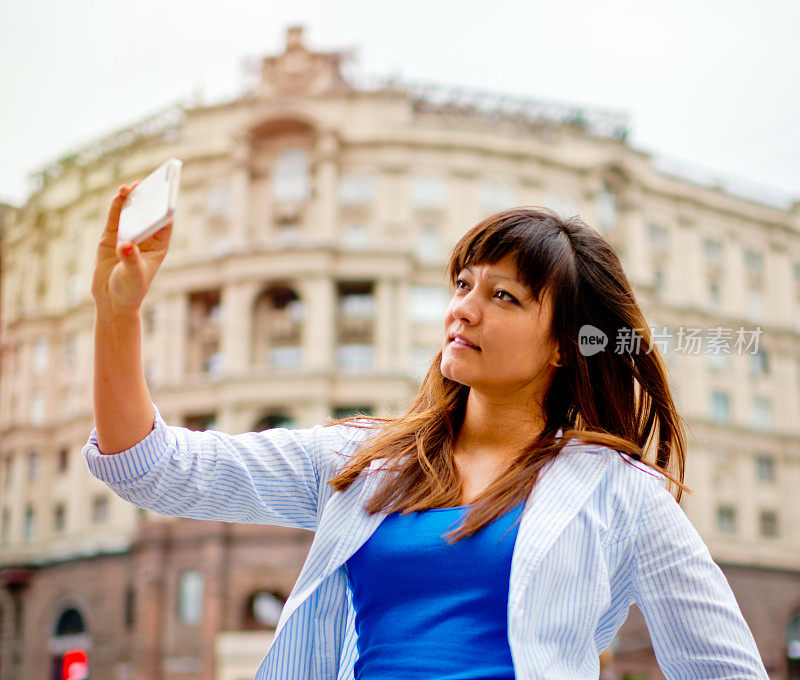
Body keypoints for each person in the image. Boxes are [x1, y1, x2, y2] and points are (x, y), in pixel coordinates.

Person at [84, 182, 770, 680]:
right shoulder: (362, 460)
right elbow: (149, 467)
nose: (464, 310)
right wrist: (118, 315)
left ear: (564, 345)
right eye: (463, 284)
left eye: (503, 296)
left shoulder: (623, 493)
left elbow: (724, 668)